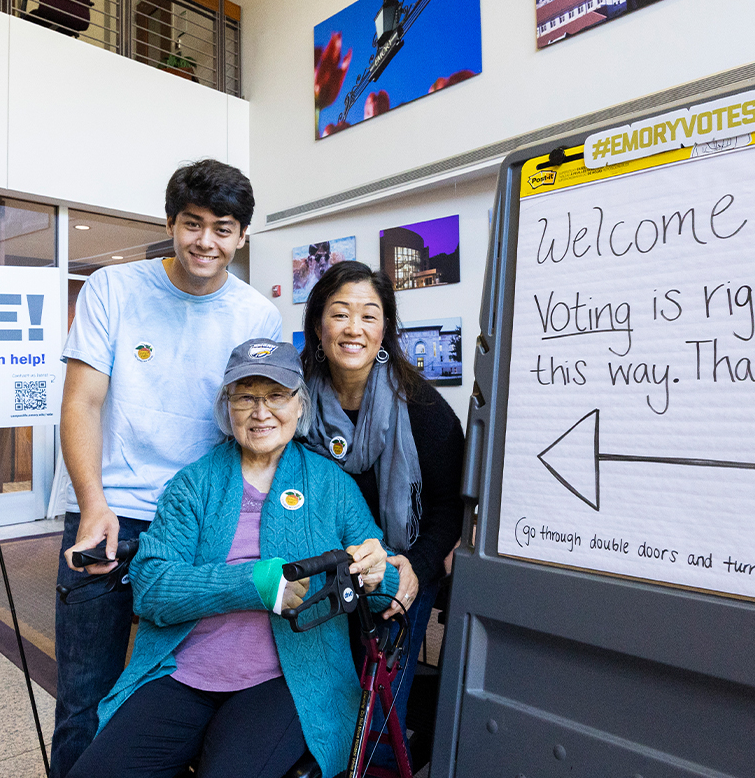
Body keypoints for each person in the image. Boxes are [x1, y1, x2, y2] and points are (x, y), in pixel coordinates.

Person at [68, 339, 396, 778]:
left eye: (276, 395)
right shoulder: (195, 484)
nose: (261, 412)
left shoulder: (331, 486)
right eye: (246, 397)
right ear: (228, 409)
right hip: (182, 671)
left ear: (300, 405)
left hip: (287, 680)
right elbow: (150, 588)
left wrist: (378, 575)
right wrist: (253, 583)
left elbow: (383, 587)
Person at [52, 159, 282, 778]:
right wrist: (93, 501)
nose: (205, 241)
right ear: (172, 224)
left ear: (242, 236)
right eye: (193, 224)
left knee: (177, 689)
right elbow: (82, 400)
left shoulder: (257, 315)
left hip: (199, 529)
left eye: (222, 228)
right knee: (83, 699)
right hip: (110, 512)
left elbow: (257, 425)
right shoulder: (112, 289)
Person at [299, 260, 465, 763]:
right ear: (318, 325)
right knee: (312, 697)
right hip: (319, 569)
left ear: (386, 329)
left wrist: (415, 566)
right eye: (340, 313)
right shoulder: (291, 402)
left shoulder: (423, 408)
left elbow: (448, 505)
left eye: (370, 316)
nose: (355, 328)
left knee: (378, 705)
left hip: (400, 567)